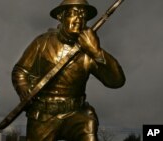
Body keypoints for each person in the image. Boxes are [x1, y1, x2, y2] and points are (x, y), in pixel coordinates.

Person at [11, 0, 126, 140]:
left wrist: (97, 52)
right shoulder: (42, 43)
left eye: (83, 15)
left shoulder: (89, 49)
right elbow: (20, 71)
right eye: (73, 13)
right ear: (61, 16)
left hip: (76, 114)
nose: (79, 19)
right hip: (44, 114)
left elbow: (117, 81)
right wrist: (24, 88)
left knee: (88, 124)